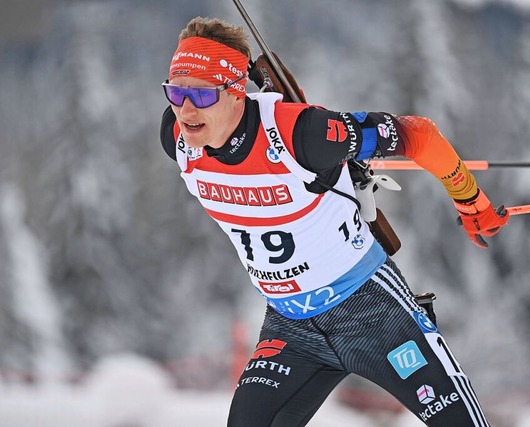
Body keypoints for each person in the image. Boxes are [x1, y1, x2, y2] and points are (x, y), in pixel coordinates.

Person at [160, 16, 508, 427]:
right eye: (175, 91)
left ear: (238, 93)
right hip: (291, 325)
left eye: (201, 96)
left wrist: (469, 198)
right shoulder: (177, 139)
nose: (184, 109)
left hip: (371, 310)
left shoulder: (301, 134)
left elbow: (422, 136)